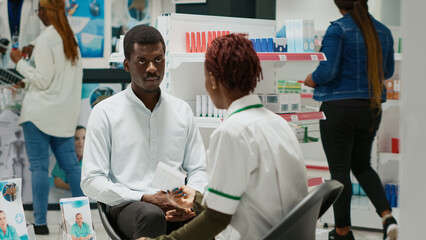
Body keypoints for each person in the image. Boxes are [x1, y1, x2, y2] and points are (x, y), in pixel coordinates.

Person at [144, 33, 308, 240]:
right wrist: (196, 199)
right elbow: (252, 198)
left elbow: (217, 219)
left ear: (213, 80)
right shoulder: (278, 123)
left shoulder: (232, 132)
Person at [81, 24, 208, 240]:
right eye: (142, 61)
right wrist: (143, 197)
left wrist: (188, 201)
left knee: (207, 215)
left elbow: (198, 170)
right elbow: (91, 180)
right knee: (151, 214)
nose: (152, 68)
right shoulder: (105, 112)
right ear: (127, 65)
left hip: (174, 200)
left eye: (158, 59)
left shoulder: (181, 111)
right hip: (130, 205)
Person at [303, 1, 397, 239]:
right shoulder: (384, 31)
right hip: (371, 108)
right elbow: (385, 72)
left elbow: (327, 71)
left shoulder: (337, 30)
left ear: (338, 4)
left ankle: (343, 230)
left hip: (339, 109)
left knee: (340, 171)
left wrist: (311, 79)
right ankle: (387, 216)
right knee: (363, 165)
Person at [9, 0, 84, 235]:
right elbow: (56, 77)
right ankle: (84, 220)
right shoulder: (70, 40)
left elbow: (42, 80)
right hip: (64, 116)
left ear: (46, 11)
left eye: (39, 9)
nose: (37, 13)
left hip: (39, 114)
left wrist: (19, 61)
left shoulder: (45, 40)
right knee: (72, 167)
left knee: (39, 168)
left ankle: (40, 224)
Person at [0, 0, 43, 68]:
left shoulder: (36, 3)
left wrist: (33, 44)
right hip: (6, 63)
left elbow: (47, 30)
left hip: (30, 63)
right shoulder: (1, 3)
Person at [52, 126, 86, 190]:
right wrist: (75, 187)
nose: (81, 142)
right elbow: (57, 182)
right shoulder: (64, 157)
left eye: (84, 138)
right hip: (67, 195)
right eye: (76, 138)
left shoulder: (93, 159)